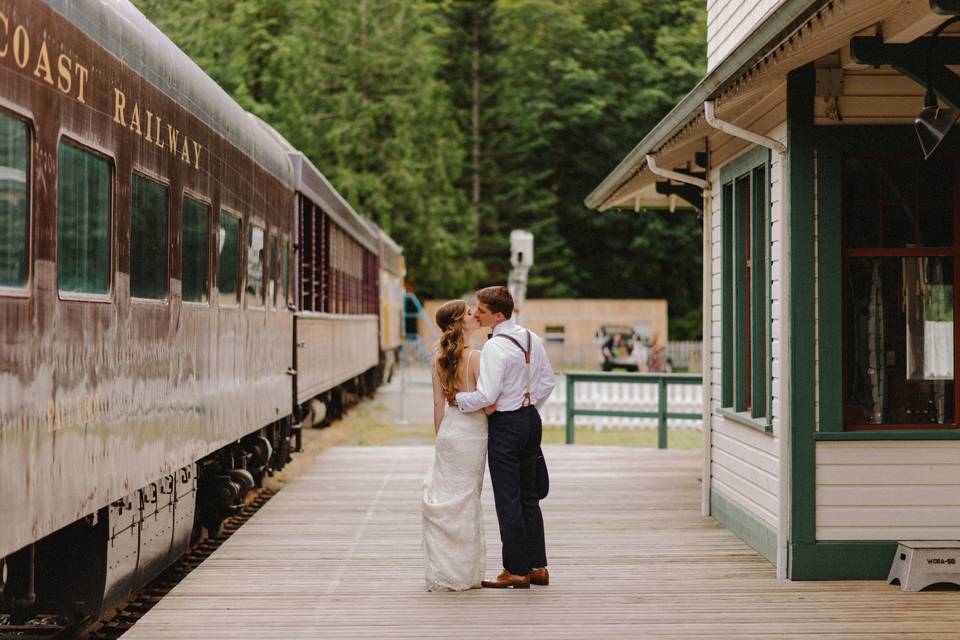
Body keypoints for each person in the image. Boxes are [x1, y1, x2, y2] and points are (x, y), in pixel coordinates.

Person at [451, 286, 556, 589]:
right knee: (529, 497)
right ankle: (538, 567)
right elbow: (547, 382)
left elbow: (486, 395)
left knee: (507, 499)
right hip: (530, 420)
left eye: (480, 310)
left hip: (507, 425)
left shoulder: (495, 347)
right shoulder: (531, 338)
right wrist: (528, 404)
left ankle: (516, 570)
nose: (476, 313)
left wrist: (459, 399)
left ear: (497, 315)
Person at [422, 300, 491, 591]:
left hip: (450, 433)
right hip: (473, 433)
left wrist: (441, 438)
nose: (474, 316)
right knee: (467, 501)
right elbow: (484, 400)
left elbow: (438, 403)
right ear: (459, 323)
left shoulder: (438, 358)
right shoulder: (476, 357)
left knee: (449, 499)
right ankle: (466, 573)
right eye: (468, 314)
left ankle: (446, 570)